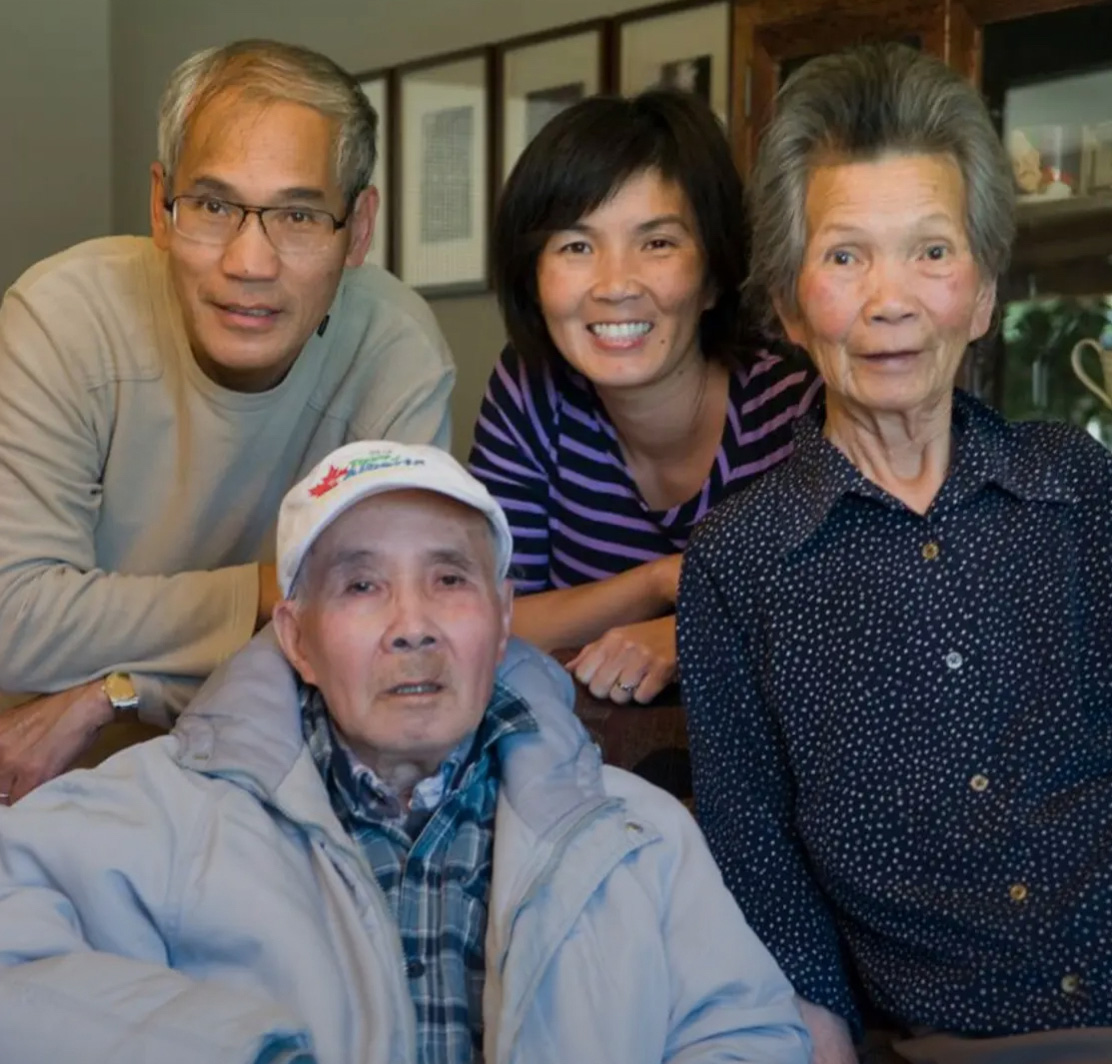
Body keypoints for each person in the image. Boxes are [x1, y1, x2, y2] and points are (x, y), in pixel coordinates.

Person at [0, 439, 810, 1064]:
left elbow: (747, 1035)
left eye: (449, 580)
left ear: (502, 619)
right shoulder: (163, 809)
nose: (412, 625)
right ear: (297, 640)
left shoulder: (638, 834)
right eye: (362, 586)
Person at [678, 42, 1112, 1064]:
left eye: (931, 251)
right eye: (844, 257)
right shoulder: (741, 562)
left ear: (983, 294)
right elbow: (758, 862)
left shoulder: (1076, 489)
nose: (890, 299)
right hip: (946, 1045)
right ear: (790, 305)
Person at [0, 40, 454, 801]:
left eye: (299, 215)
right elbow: (14, 619)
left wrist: (119, 691)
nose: (249, 262)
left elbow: (382, 646)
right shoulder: (62, 319)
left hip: (273, 781)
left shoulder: (395, 352)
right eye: (213, 207)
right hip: (39, 780)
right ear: (161, 207)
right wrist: (272, 593)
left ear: (358, 229)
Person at [468, 90, 820, 705]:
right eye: (576, 246)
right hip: (589, 750)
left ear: (714, 275)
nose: (615, 286)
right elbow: (478, 621)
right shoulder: (531, 388)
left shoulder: (795, 400)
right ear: (534, 277)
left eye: (657, 243)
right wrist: (657, 583)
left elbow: (857, 608)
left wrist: (689, 632)